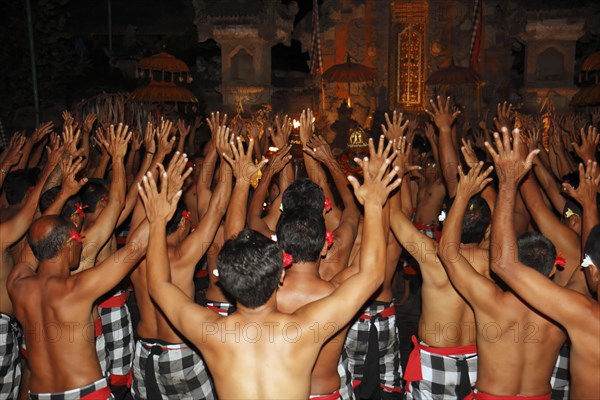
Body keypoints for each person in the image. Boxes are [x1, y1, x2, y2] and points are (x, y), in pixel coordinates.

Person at [139, 146, 400, 399]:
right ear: (280, 276)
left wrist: (157, 222)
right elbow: (372, 275)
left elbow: (159, 286)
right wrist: (375, 204)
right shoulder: (304, 329)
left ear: (226, 283)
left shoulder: (212, 333)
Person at [437, 158, 567, 399]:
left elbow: (447, 252)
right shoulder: (567, 310)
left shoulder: (491, 301)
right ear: (552, 270)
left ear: (510, 265)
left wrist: (464, 195)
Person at [487, 129, 600, 399]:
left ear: (593, 270)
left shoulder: (588, 318)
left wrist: (509, 179)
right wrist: (589, 205)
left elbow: (504, 263)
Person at [6, 213, 149, 399]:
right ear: (69, 244)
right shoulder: (77, 288)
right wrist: (162, 205)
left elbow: (34, 249)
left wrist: (63, 195)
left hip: (40, 395)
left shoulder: (16, 283)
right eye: (78, 238)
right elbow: (134, 250)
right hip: (86, 394)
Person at [276, 207, 354, 400]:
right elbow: (374, 270)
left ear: (281, 248)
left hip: (281, 391)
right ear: (325, 246)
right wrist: (375, 205)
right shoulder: (339, 296)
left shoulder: (265, 296)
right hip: (326, 393)